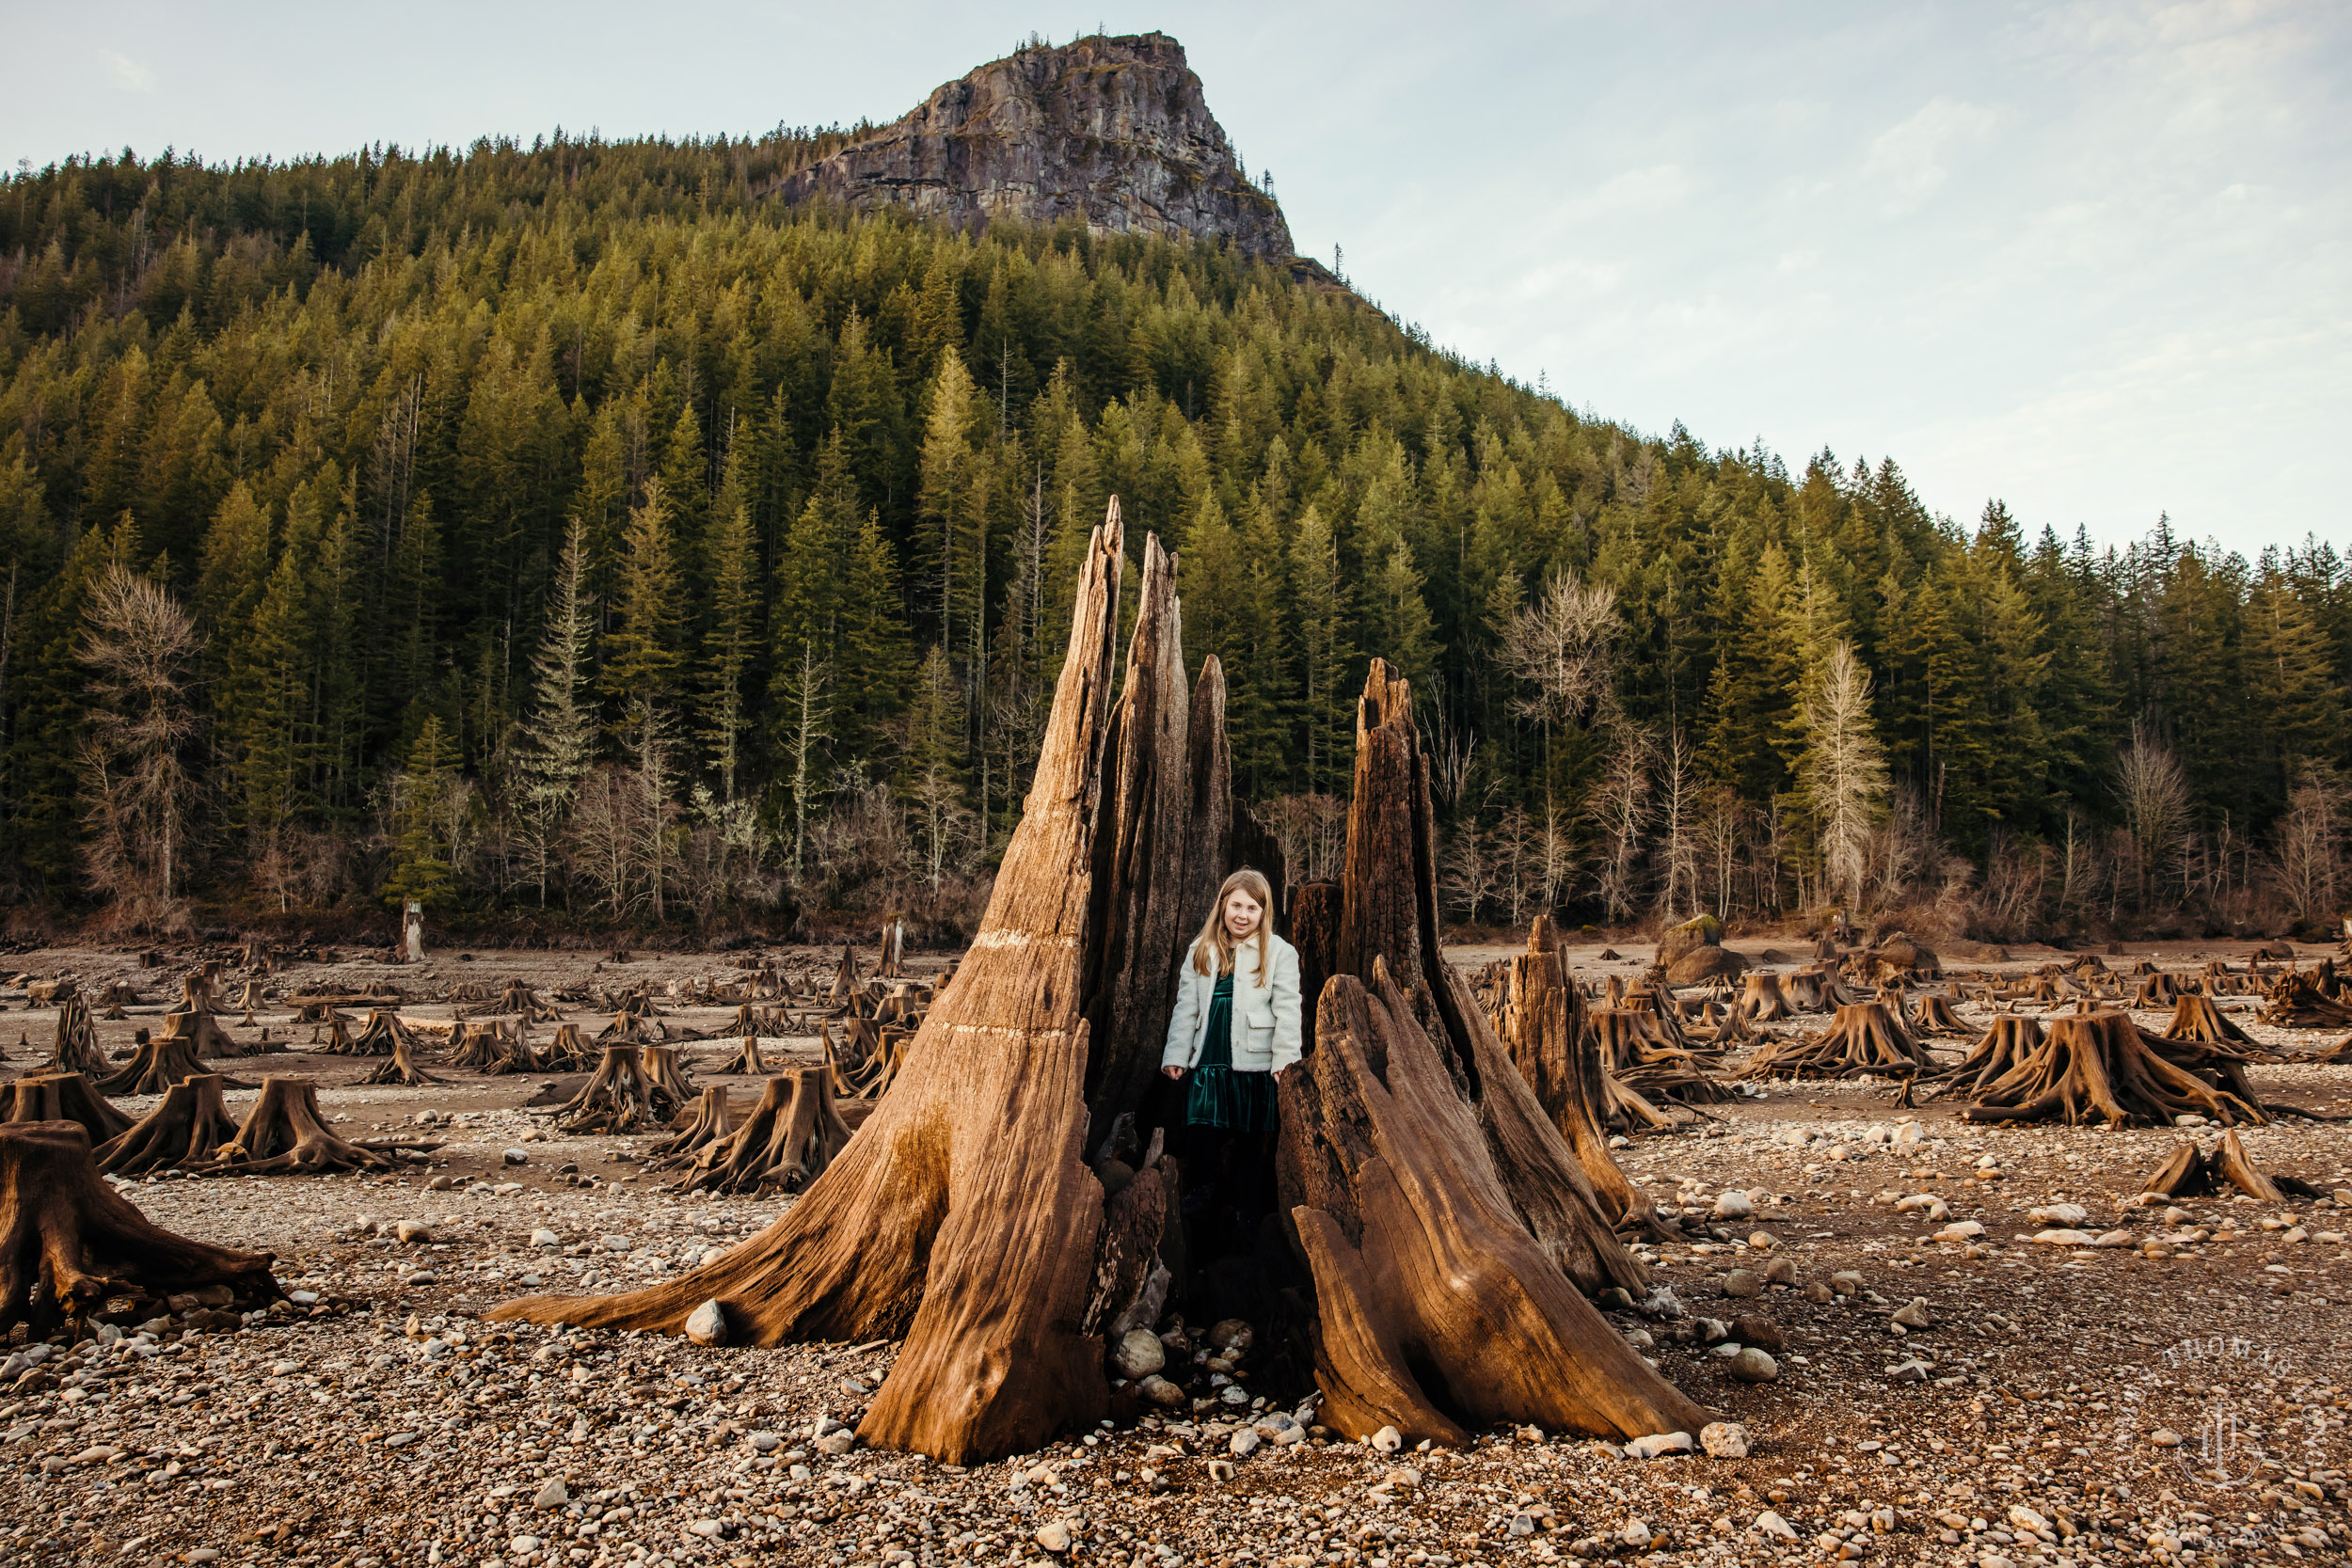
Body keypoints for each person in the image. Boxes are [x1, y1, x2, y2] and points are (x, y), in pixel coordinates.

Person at [1160, 869, 1300, 1260]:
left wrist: (1285, 1061)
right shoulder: (1202, 949)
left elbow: (1288, 1010)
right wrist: (1176, 1053)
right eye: (1235, 905)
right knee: (1202, 1125)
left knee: (1251, 1137)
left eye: (1251, 908)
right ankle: (1202, 1188)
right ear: (1223, 905)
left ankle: (1248, 1207)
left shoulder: (1278, 952)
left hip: (1254, 1061)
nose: (1242, 915)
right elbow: (1186, 1007)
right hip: (1210, 1056)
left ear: (1263, 912)